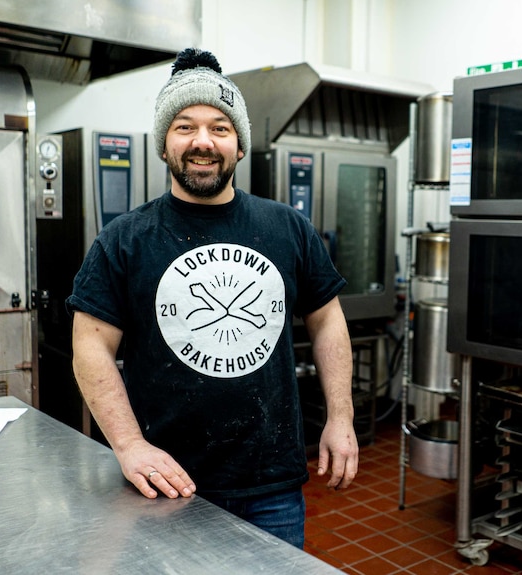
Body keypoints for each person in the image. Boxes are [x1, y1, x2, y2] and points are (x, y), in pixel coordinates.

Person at [66, 48, 359, 549]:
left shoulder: (286, 227)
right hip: (164, 484)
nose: (203, 141)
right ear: (164, 144)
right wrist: (130, 445)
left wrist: (341, 417)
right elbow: (90, 348)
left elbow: (328, 319)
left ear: (239, 145)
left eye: (220, 128)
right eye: (184, 126)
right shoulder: (124, 240)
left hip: (271, 484)